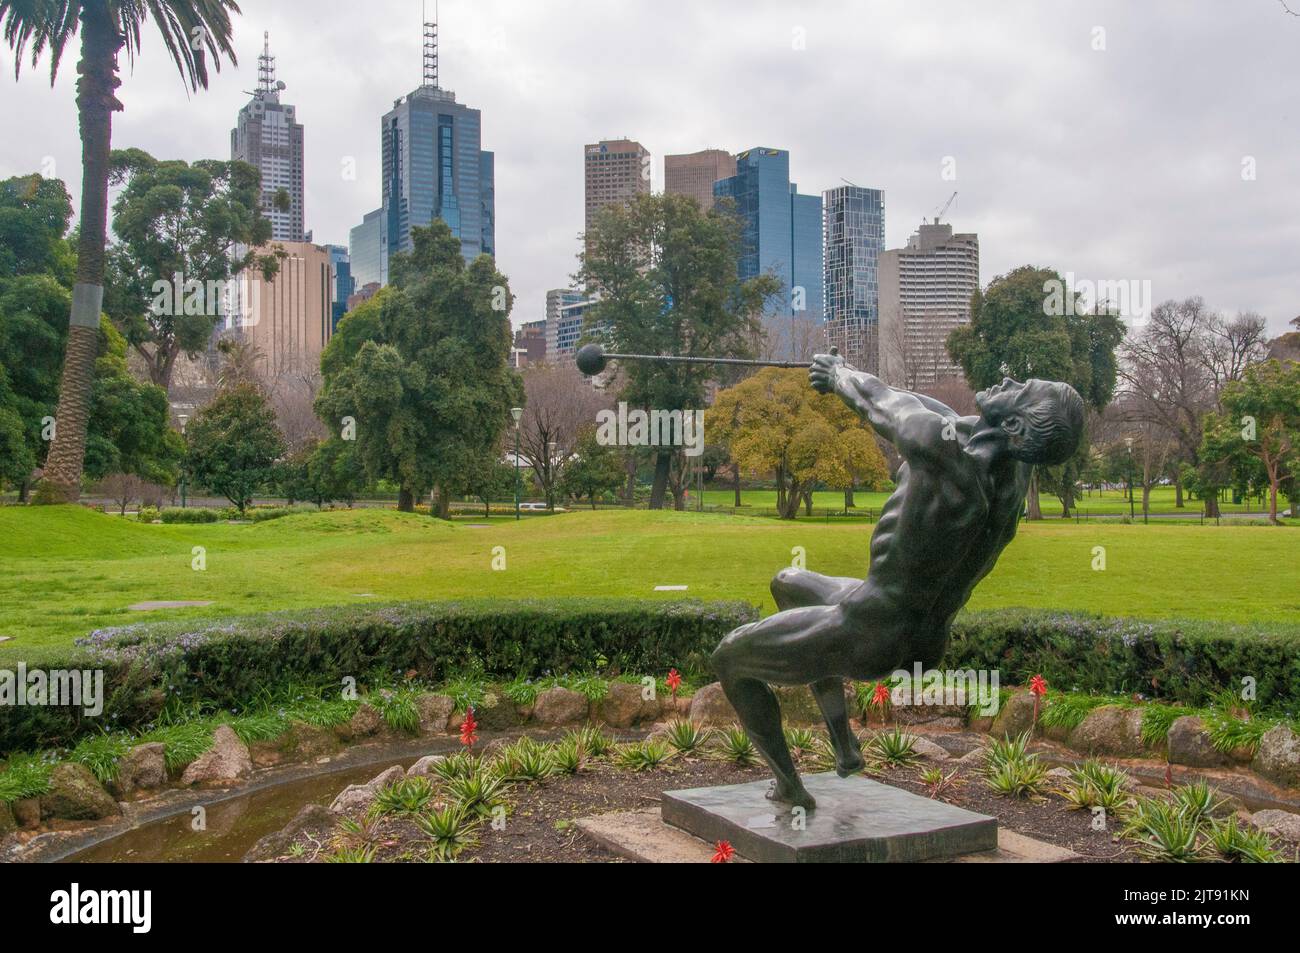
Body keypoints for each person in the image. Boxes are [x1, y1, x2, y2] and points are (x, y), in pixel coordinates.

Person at [711, 352, 1085, 809]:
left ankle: (790, 789)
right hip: (923, 641)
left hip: (869, 633)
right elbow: (934, 410)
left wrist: (837, 375)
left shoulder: (943, 454)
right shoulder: (1011, 471)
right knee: (788, 582)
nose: (1008, 376)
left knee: (729, 658)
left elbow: (886, 404)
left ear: (1016, 428)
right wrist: (848, 370)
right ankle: (845, 748)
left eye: (1020, 389)